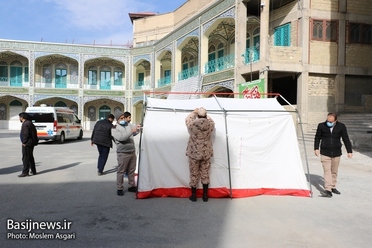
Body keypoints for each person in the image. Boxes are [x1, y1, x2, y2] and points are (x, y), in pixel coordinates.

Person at [314, 113, 353, 197]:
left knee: (334, 171)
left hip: (336, 152)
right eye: (328, 121)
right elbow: (317, 137)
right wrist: (316, 148)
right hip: (325, 152)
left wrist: (349, 151)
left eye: (331, 121)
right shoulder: (321, 126)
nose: (329, 123)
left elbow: (345, 138)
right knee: (327, 170)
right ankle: (328, 189)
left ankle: (333, 186)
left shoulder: (341, 126)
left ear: (335, 121)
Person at [185, 107, 215, 202]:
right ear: (206, 115)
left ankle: (194, 196)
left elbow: (187, 120)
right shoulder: (210, 124)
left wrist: (194, 112)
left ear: (198, 115)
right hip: (206, 152)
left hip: (194, 152)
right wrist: (205, 115)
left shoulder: (192, 124)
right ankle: (205, 196)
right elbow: (212, 121)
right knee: (205, 173)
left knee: (194, 173)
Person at [112, 111, 141, 196]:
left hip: (131, 151)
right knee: (121, 171)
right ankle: (119, 188)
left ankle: (131, 185)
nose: (123, 119)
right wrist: (132, 131)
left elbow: (135, 130)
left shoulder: (128, 125)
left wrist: (137, 128)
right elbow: (122, 138)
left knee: (131, 170)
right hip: (123, 153)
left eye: (124, 117)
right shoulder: (114, 128)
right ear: (117, 119)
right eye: (121, 118)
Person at [18, 112, 39, 177]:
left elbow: (26, 134)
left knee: (25, 158)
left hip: (27, 143)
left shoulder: (26, 124)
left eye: (19, 117)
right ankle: (33, 170)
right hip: (30, 142)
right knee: (30, 157)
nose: (19, 119)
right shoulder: (29, 123)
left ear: (22, 117)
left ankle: (25, 172)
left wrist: (24, 142)